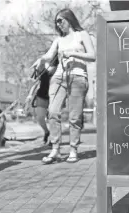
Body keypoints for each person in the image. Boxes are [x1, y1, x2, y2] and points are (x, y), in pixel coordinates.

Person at [32, 8, 95, 164]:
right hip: (59, 77)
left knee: (75, 116)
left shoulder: (82, 35)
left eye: (60, 21)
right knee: (52, 112)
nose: (58, 25)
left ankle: (73, 149)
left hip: (78, 77)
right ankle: (55, 149)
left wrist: (73, 54)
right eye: (56, 22)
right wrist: (41, 60)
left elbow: (92, 56)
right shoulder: (58, 40)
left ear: (69, 19)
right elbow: (49, 55)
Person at [26, 57, 59, 144]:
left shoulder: (60, 72)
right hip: (42, 97)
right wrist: (30, 95)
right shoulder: (44, 72)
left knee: (53, 118)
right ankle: (46, 132)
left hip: (55, 97)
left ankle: (53, 138)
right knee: (40, 118)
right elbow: (35, 84)